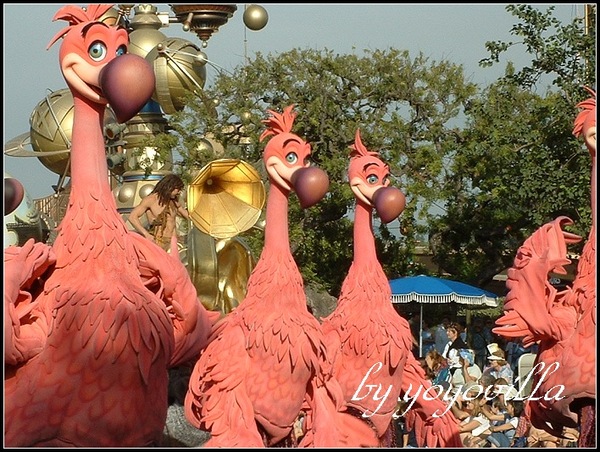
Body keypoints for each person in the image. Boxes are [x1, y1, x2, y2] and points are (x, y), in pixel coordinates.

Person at [128, 173, 190, 251]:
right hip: (157, 241)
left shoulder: (174, 202)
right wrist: (146, 234)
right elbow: (132, 217)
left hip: (172, 242)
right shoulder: (151, 200)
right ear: (170, 187)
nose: (179, 192)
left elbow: (188, 216)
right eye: (178, 189)